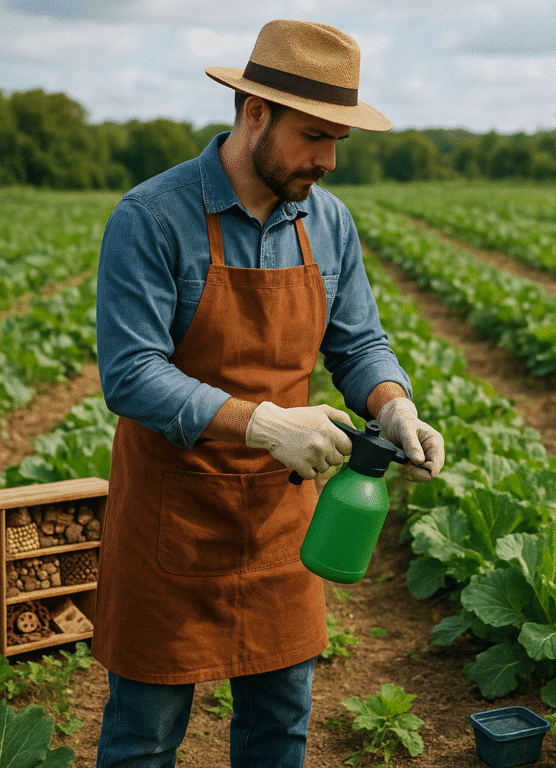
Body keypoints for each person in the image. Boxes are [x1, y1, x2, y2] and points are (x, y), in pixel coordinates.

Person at [92, 18, 445, 768]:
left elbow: (358, 343)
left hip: (287, 522)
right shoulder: (152, 218)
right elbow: (130, 372)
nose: (329, 159)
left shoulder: (330, 222)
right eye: (315, 135)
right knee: (146, 738)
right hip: (172, 520)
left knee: (280, 727)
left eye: (339, 141)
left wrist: (393, 403)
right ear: (255, 112)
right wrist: (263, 425)